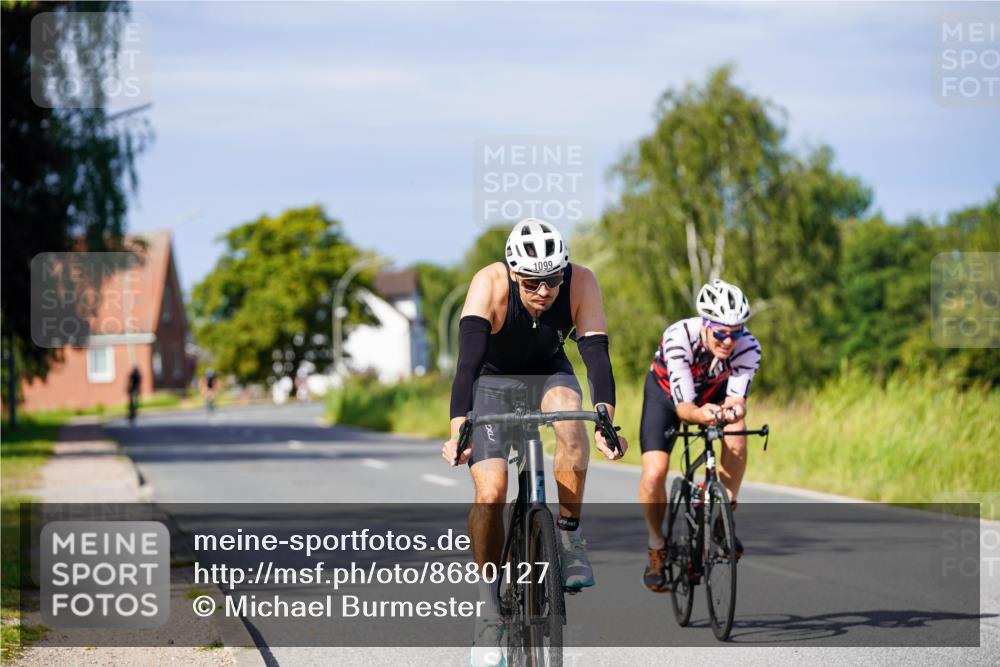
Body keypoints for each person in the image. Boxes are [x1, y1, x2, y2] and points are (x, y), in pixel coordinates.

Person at [441, 218, 628, 667]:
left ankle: (568, 537)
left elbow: (596, 353)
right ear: (513, 273)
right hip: (491, 382)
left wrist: (606, 417)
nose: (544, 291)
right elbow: (467, 364)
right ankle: (489, 612)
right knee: (491, 492)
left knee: (571, 421)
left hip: (548, 371)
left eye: (551, 280)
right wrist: (457, 429)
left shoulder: (580, 282)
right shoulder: (489, 283)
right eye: (532, 283)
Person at [638, 279, 762, 592]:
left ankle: (722, 513)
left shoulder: (748, 347)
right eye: (720, 333)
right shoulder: (678, 337)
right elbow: (685, 409)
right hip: (667, 397)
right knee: (655, 474)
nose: (728, 341)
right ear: (705, 324)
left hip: (715, 394)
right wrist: (701, 414)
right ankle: (657, 546)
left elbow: (737, 401)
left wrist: (732, 412)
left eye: (735, 333)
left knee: (737, 433)